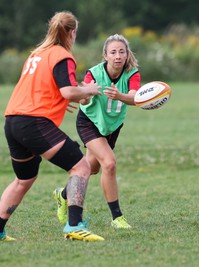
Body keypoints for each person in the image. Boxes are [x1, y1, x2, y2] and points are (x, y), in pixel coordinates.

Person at [0, 11, 105, 242]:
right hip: (33, 122)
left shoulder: (36, 54)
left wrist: (60, 101)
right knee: (81, 167)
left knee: (23, 180)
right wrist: (89, 90)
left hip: (13, 121)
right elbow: (68, 90)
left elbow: (43, 88)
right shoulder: (62, 55)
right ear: (72, 32)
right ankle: (74, 225)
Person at [53, 34, 141, 229]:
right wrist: (86, 94)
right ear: (105, 55)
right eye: (113, 52)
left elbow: (135, 98)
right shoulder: (93, 74)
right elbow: (83, 99)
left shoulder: (132, 74)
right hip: (89, 123)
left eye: (121, 52)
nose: (118, 56)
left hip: (111, 127)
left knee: (91, 169)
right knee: (109, 164)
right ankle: (117, 217)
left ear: (127, 55)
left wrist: (120, 96)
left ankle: (64, 195)